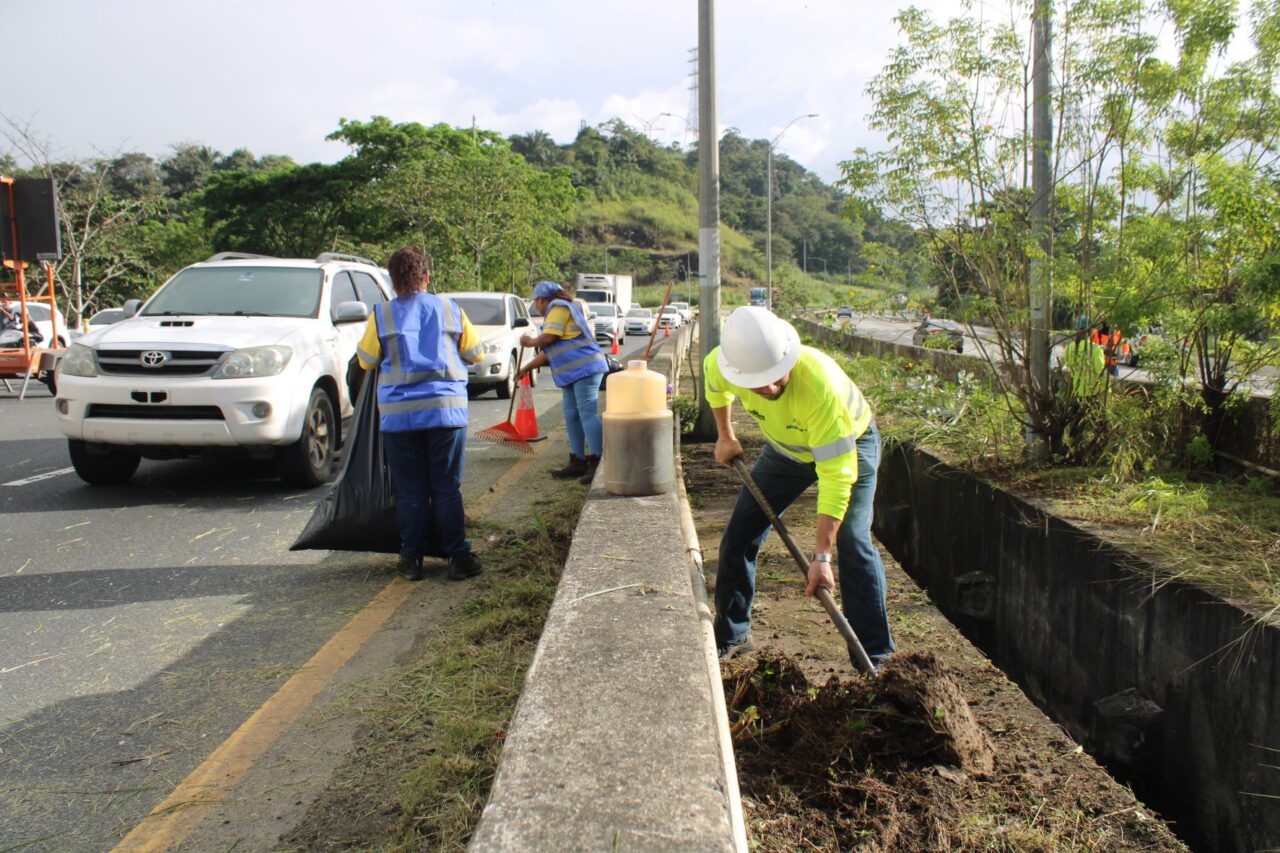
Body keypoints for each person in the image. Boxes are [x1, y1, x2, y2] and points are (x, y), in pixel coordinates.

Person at [705, 306, 894, 667]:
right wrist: (725, 435)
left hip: (851, 443)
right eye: (759, 382)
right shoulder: (725, 364)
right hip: (787, 452)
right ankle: (733, 633)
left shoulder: (818, 386)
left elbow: (836, 476)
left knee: (853, 540)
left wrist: (821, 557)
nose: (771, 387)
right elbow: (714, 386)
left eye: (777, 375)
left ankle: (877, 657)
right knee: (739, 533)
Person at [356, 246, 484, 583]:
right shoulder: (449, 309)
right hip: (445, 412)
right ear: (426, 277)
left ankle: (411, 561)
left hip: (400, 417)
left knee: (410, 491)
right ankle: (458, 558)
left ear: (393, 281)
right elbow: (476, 353)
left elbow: (366, 360)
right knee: (446, 488)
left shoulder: (382, 315)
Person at [515, 281, 609, 484]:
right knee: (572, 415)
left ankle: (598, 461)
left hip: (585, 369)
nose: (536, 306)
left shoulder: (557, 307)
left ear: (541, 299)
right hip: (571, 374)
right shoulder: (556, 313)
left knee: (586, 413)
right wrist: (525, 369)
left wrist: (529, 342)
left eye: (535, 302)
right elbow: (548, 352)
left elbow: (547, 338)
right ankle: (577, 461)